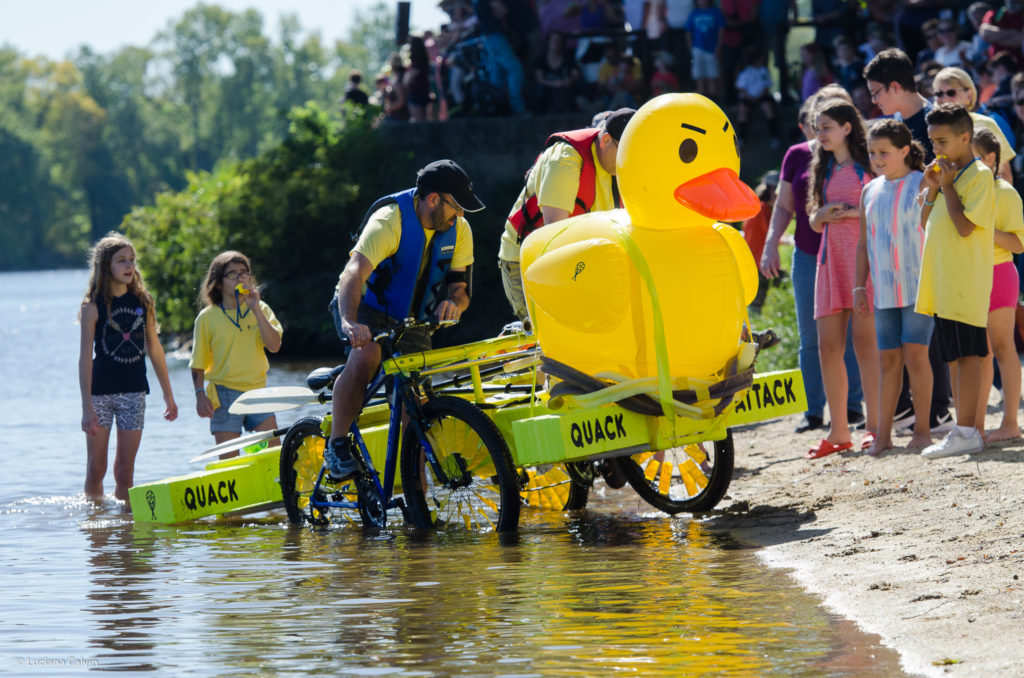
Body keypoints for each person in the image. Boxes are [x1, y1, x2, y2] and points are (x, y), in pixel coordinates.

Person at [323, 160, 484, 479]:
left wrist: (454, 304)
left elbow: (460, 290)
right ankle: (337, 445)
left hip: (412, 320)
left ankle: (416, 490)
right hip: (364, 309)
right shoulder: (389, 221)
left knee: (417, 400)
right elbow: (354, 274)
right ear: (434, 199)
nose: (460, 216)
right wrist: (350, 322)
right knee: (366, 356)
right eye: (456, 207)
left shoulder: (459, 230)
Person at [760, 87, 866, 435]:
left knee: (852, 334)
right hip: (810, 254)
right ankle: (813, 411)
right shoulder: (796, 155)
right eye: (816, 121)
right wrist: (771, 243)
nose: (820, 129)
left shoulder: (859, 157)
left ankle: (851, 407)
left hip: (852, 253)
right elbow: (784, 206)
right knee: (811, 335)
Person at [865, 47, 956, 433]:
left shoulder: (936, 119)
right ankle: (906, 410)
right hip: (897, 256)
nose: (874, 101)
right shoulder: (889, 125)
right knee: (902, 342)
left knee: (931, 339)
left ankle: (937, 409)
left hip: (939, 242)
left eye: (876, 92)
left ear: (896, 86)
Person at [498, 108, 635, 322]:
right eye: (625, 153)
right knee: (553, 338)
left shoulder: (619, 165)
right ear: (606, 140)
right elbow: (554, 236)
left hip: (581, 262)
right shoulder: (566, 158)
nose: (628, 162)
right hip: (530, 259)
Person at [917, 104, 996, 459]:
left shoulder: (978, 174)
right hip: (944, 282)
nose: (936, 149)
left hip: (965, 282)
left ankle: (966, 431)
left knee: (968, 357)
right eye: (932, 141)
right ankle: (963, 431)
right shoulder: (945, 174)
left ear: (966, 137)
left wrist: (947, 188)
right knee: (953, 357)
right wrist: (934, 188)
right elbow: (924, 223)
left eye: (943, 141)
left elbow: (965, 228)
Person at [805, 99, 880, 459]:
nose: (819, 134)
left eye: (826, 128)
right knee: (828, 348)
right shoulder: (822, 168)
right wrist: (820, 214)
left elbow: (881, 210)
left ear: (847, 128)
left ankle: (875, 428)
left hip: (863, 264)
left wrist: (851, 212)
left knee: (867, 347)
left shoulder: (869, 165)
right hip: (829, 263)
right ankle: (838, 432)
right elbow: (812, 221)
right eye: (818, 128)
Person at [79, 233, 177, 501]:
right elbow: (85, 357)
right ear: (105, 266)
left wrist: (168, 394)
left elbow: (155, 350)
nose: (129, 266)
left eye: (132, 260)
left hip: (134, 393)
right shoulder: (92, 306)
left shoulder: (143, 301)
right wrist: (87, 406)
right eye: (121, 260)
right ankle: (96, 530)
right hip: (100, 394)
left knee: (125, 472)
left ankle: (124, 534)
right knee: (95, 469)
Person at [855, 119, 933, 456]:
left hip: (919, 286)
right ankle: (883, 435)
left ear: (904, 150)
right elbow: (863, 243)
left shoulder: (923, 183)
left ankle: (923, 430)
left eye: (884, 152)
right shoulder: (869, 190)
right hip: (884, 290)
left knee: (916, 356)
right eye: (872, 153)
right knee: (887, 360)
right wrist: (860, 286)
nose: (877, 159)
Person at [190, 251, 283, 450]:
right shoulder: (207, 318)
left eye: (244, 273)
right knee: (229, 462)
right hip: (223, 395)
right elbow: (198, 364)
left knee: (275, 454)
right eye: (233, 274)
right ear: (219, 282)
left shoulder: (261, 309)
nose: (240, 278)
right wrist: (199, 395)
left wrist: (255, 309)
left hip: (258, 390)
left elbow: (274, 346)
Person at [971, 128, 1024, 441]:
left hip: (999, 274)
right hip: (968, 277)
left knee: (1003, 348)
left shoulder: (1005, 192)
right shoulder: (962, 191)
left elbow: (1018, 244)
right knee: (980, 353)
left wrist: (984, 230)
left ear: (991, 159)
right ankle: (975, 424)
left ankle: (1010, 424)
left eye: (975, 157)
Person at [932, 66, 1015, 181]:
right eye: (939, 93)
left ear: (969, 96)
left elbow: (1005, 175)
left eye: (951, 93)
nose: (944, 98)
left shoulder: (986, 124)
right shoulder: (932, 130)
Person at [744, 170, 780, 314]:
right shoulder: (763, 208)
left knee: (755, 296)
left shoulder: (754, 205)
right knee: (757, 299)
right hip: (758, 259)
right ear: (772, 189)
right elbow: (770, 230)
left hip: (752, 258)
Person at [734, 48, 781, 147]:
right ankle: (741, 138)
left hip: (762, 97)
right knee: (743, 111)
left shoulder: (764, 71)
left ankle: (775, 137)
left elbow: (766, 86)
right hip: (747, 98)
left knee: (768, 109)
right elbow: (740, 87)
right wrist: (749, 97)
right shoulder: (745, 72)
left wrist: (758, 97)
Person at [684, 0, 726, 99]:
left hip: (711, 48)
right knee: (698, 73)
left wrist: (718, 46)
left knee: (712, 73)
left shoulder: (715, 12)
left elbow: (721, 30)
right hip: (697, 47)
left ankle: (713, 96)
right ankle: (701, 95)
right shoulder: (694, 13)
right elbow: (688, 31)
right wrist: (691, 46)